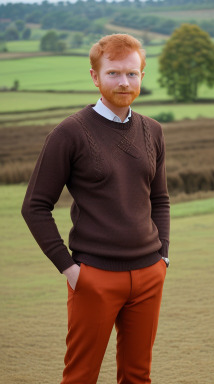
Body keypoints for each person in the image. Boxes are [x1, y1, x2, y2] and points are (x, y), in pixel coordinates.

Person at [22, 34, 170, 384]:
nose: (124, 82)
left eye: (132, 74)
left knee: (138, 377)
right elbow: (35, 207)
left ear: (142, 77)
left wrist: (163, 257)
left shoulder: (154, 131)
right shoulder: (69, 133)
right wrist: (70, 271)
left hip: (150, 274)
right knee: (80, 377)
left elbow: (159, 199)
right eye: (114, 73)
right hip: (94, 277)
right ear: (95, 77)